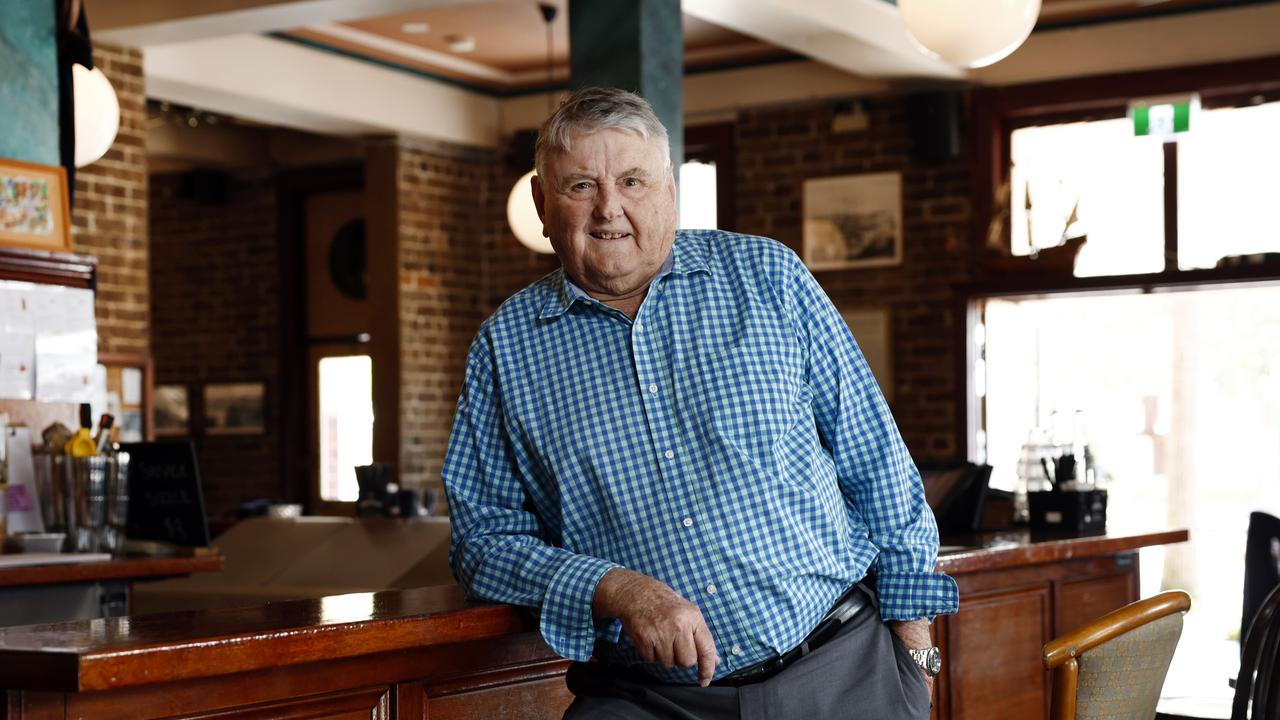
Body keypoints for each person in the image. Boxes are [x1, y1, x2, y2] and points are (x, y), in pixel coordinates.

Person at [443, 86, 958, 719]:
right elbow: (482, 540)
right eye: (580, 186)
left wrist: (914, 654)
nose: (609, 209)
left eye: (632, 181)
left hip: (840, 670)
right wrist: (613, 587)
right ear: (541, 204)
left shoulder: (768, 277)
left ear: (669, 192)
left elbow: (877, 463)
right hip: (649, 698)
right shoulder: (506, 349)